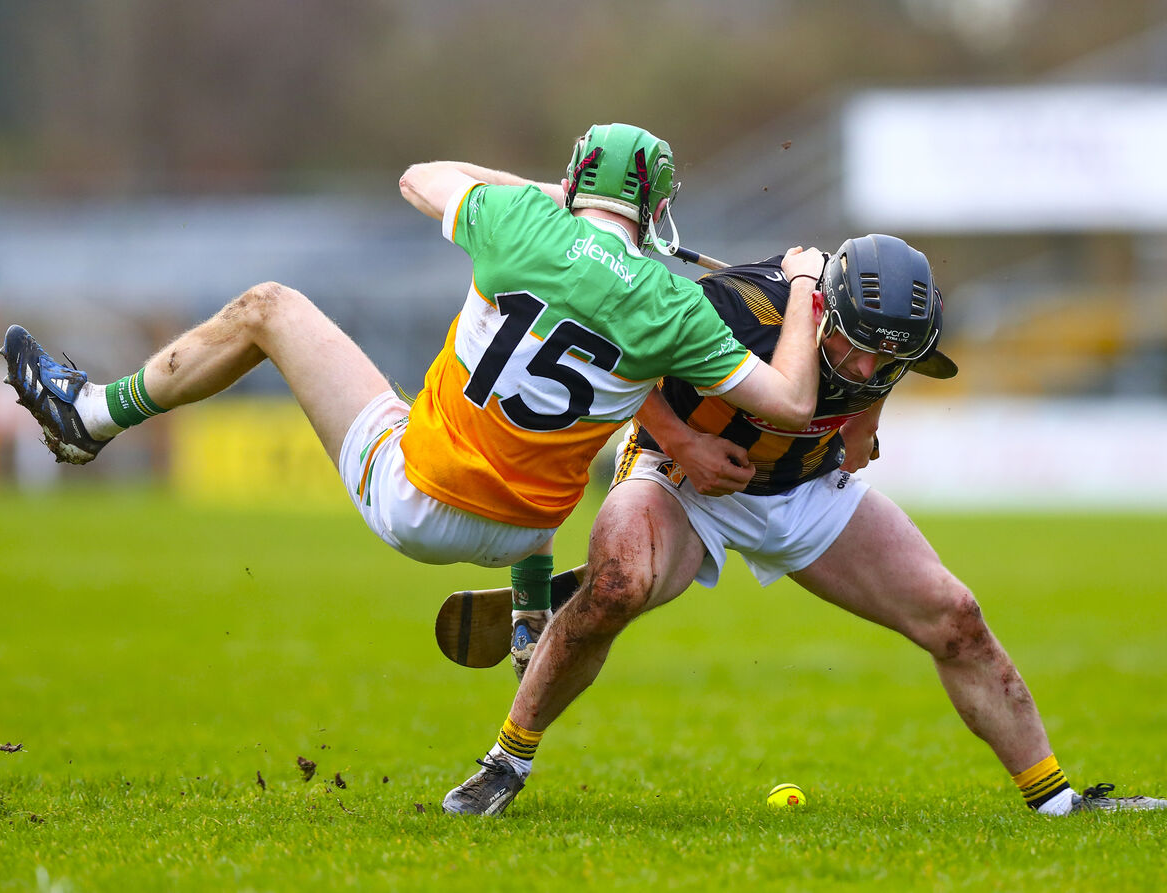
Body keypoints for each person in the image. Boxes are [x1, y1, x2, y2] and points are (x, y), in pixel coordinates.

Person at [0, 123, 821, 660]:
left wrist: (547, 200)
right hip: (529, 527)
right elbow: (789, 402)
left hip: (416, 499)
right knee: (553, 429)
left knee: (269, 308)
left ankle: (90, 415)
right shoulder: (674, 303)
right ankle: (532, 621)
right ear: (660, 208)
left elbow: (420, 175)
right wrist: (807, 288)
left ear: (572, 182)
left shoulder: (516, 222)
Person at [442, 234, 1167, 817]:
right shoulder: (733, 307)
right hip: (684, 478)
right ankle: (506, 760)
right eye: (856, 346)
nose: (867, 364)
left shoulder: (890, 336)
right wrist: (687, 443)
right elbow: (622, 366)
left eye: (890, 358)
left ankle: (1058, 800)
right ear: (824, 310)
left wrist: (866, 420)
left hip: (804, 487)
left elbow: (883, 371)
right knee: (619, 587)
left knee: (956, 617)